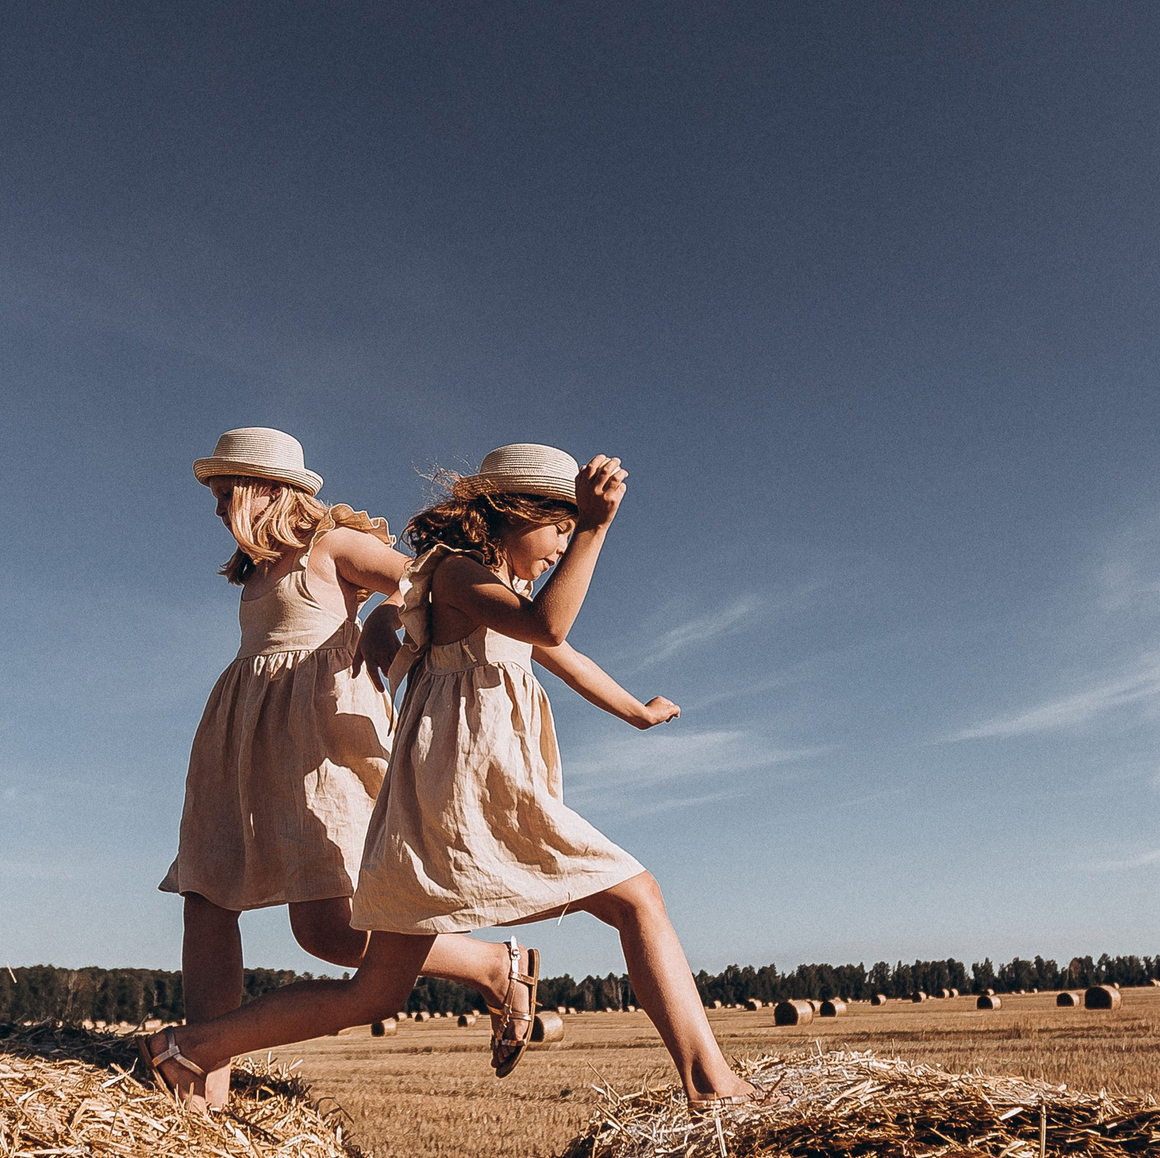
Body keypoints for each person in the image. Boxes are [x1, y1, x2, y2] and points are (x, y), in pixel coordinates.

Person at [145, 443, 758, 1105]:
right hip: (467, 794)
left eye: (569, 530)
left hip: (445, 800)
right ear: (514, 514)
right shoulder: (459, 577)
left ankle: (189, 1048)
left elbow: (553, 648)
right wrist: (595, 527)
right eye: (557, 527)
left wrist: (635, 711)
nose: (561, 544)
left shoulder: (464, 587)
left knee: (373, 993)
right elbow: (546, 625)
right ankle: (711, 1085)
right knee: (638, 896)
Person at [161, 427, 532, 1106]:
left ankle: (491, 964)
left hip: (318, 744)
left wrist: (386, 620)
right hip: (238, 745)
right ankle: (202, 1087)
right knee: (206, 899)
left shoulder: (331, 546)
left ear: (266, 490)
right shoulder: (254, 572)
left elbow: (425, 581)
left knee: (327, 930)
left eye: (224, 492)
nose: (216, 507)